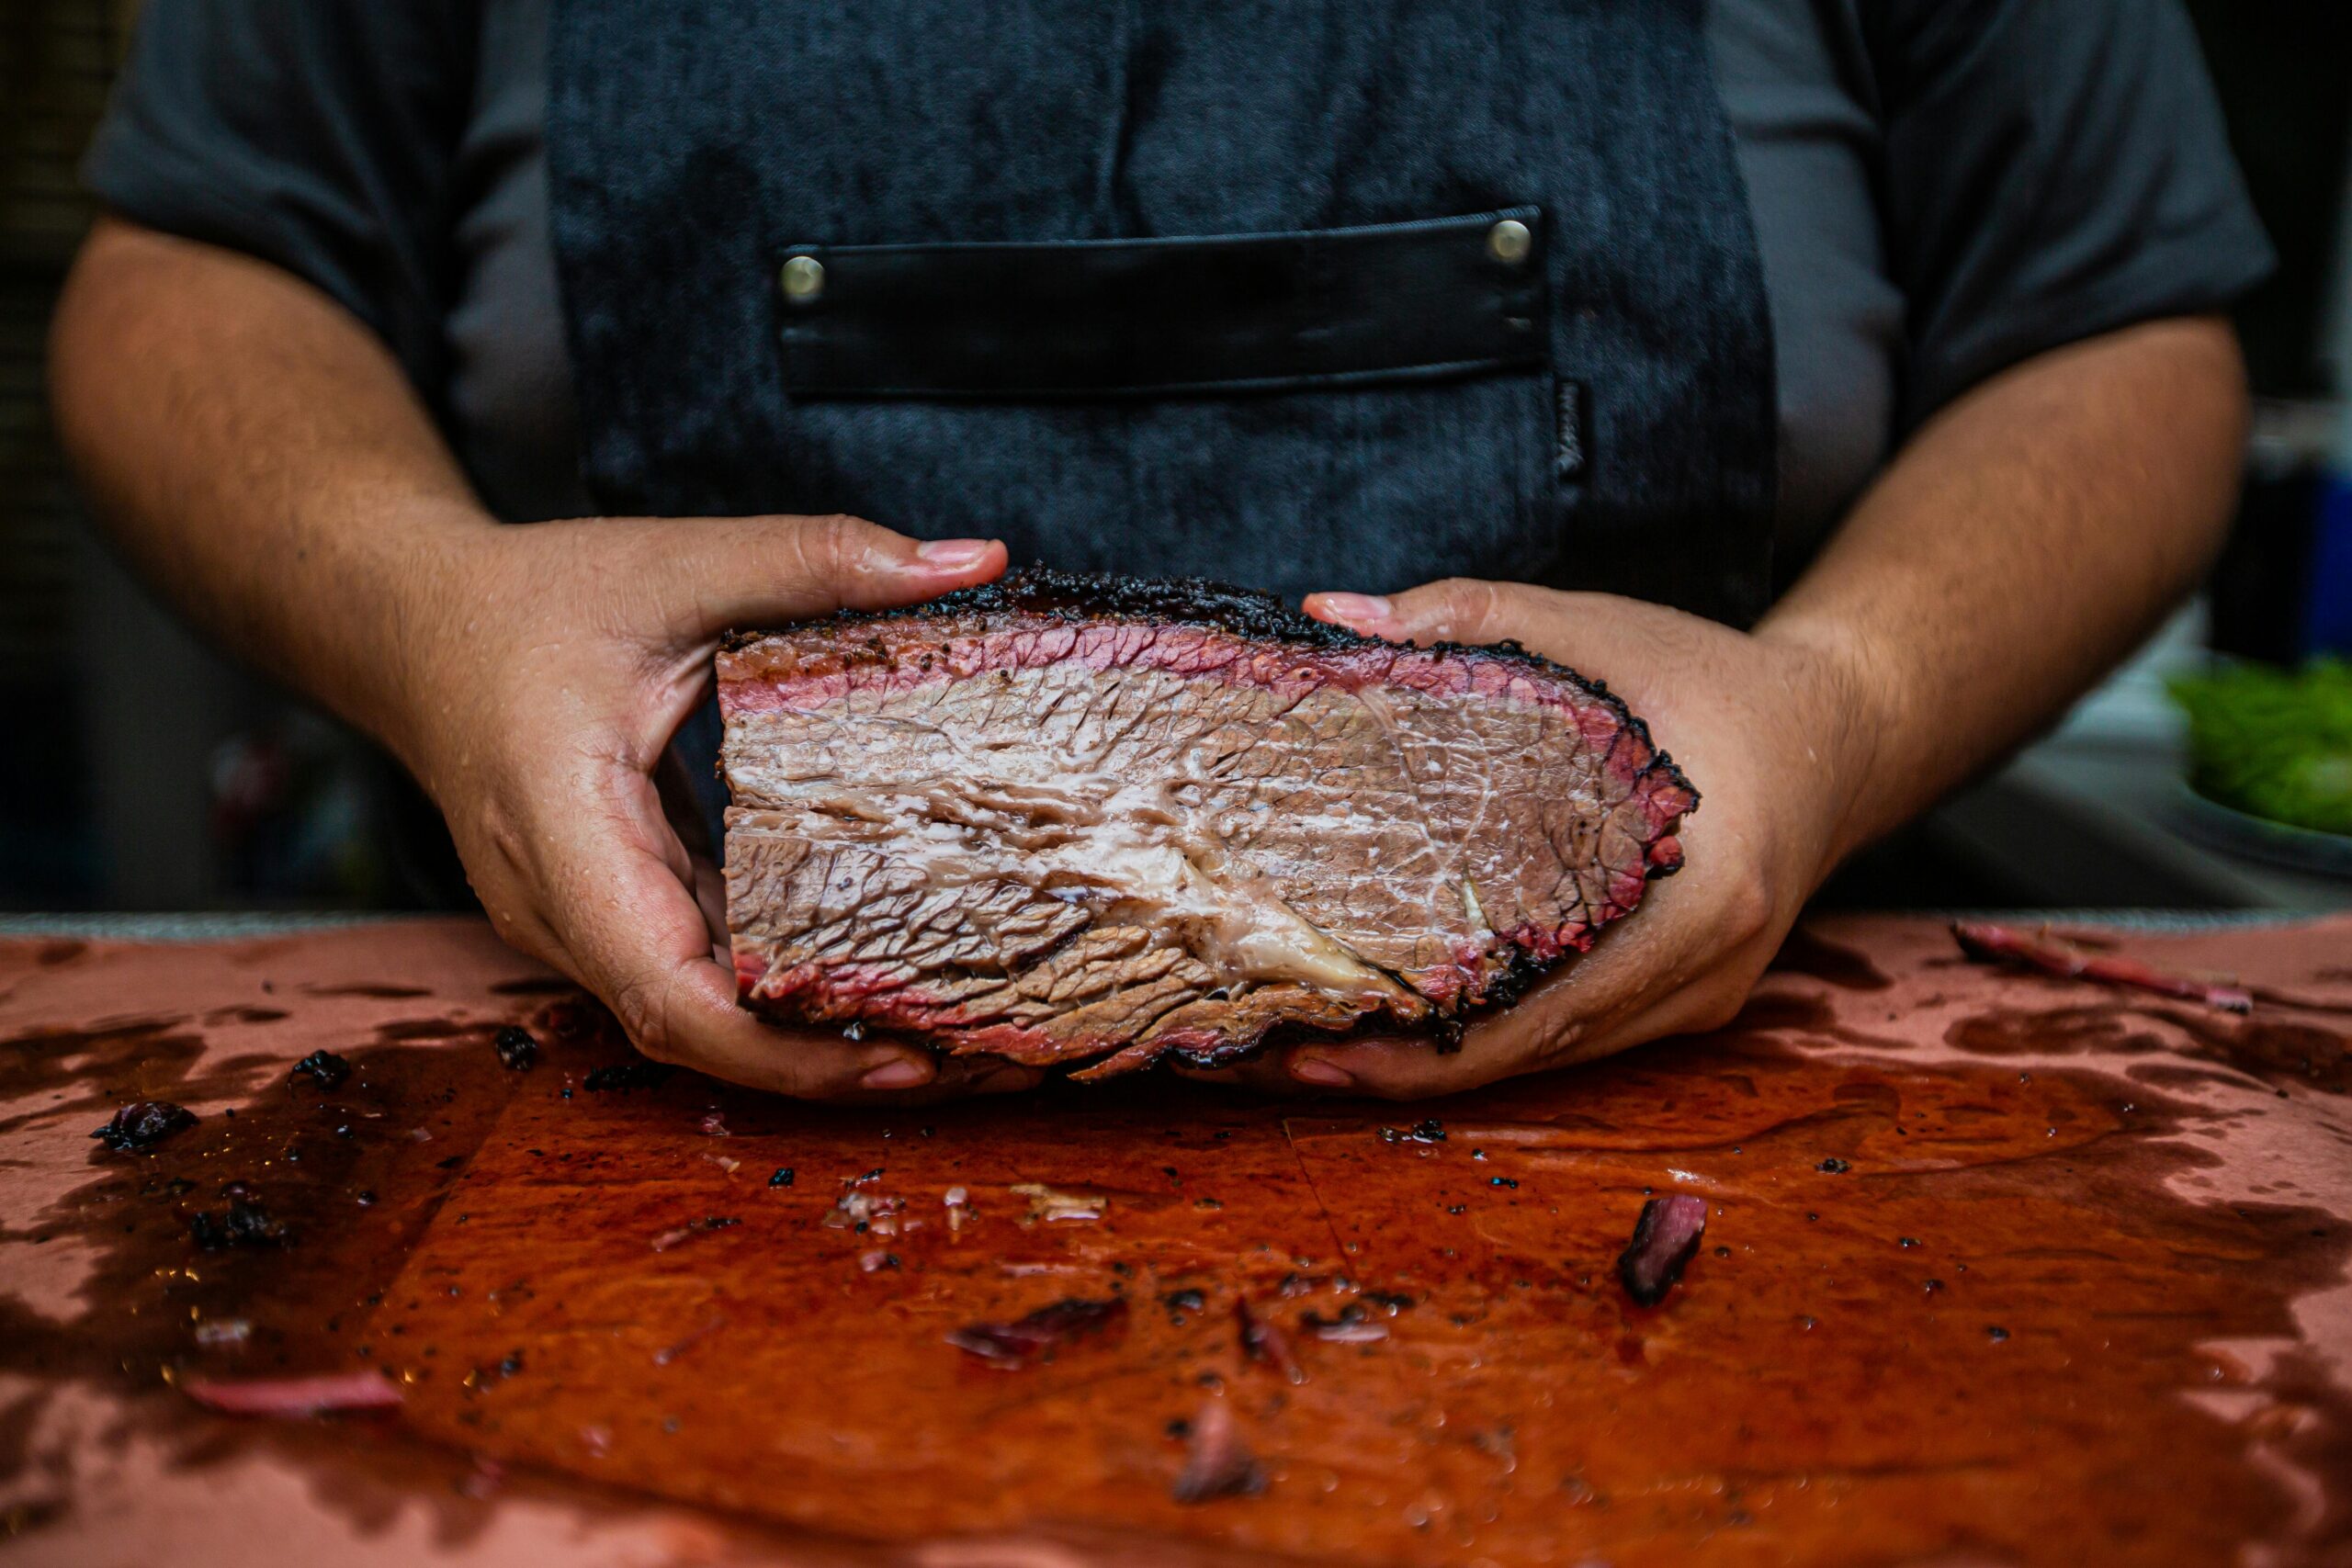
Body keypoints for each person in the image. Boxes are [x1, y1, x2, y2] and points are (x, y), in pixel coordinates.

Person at [51, 0, 2269, 1101]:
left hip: (1717, 1081)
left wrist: (1847, 705)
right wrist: (432, 614)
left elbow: (2114, 338)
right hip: (622, 1096)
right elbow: (192, 279)